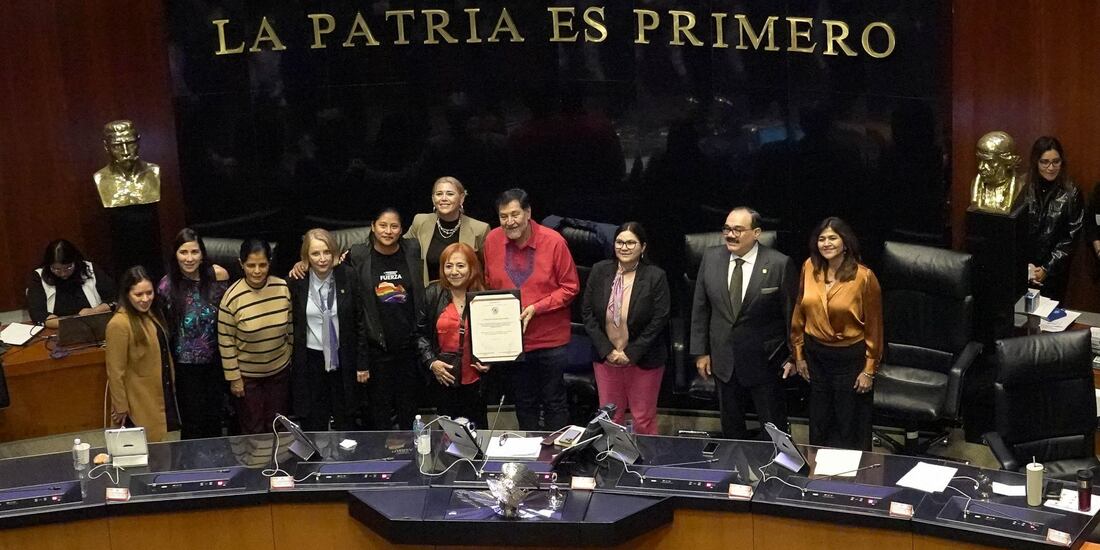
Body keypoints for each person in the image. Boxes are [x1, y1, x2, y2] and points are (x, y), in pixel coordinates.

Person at [690, 207, 797, 439]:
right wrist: (700, 352)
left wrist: (793, 356)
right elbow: (700, 308)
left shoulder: (780, 264)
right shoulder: (710, 257)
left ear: (756, 232)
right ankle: (734, 474)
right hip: (723, 360)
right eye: (727, 229)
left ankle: (777, 475)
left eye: (738, 229)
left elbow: (792, 316)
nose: (730, 235)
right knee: (731, 430)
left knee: (774, 433)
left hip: (766, 362)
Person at [482, 188, 579, 431]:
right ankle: (532, 461)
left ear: (528, 213)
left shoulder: (554, 242)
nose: (509, 222)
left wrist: (537, 307)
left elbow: (571, 287)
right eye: (503, 216)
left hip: (550, 341)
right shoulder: (492, 240)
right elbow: (487, 285)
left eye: (515, 214)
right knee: (523, 403)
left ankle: (558, 460)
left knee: (554, 402)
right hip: (512, 342)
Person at [788, 217, 883, 451]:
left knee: (848, 422)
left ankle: (852, 482)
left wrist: (869, 370)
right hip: (816, 355)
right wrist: (798, 355)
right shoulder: (809, 267)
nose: (826, 243)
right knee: (820, 420)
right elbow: (799, 311)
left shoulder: (864, 277)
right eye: (821, 239)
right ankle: (819, 476)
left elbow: (875, 326)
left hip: (850, 358)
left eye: (832, 238)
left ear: (845, 242)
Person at [582, 222, 670, 435]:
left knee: (643, 418)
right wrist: (609, 351)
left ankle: (646, 466)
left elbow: (659, 319)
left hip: (643, 358)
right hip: (607, 358)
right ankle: (613, 463)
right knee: (611, 417)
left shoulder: (655, 276)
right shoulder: (599, 270)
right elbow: (587, 313)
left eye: (631, 242)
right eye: (620, 242)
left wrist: (630, 353)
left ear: (643, 247)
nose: (624, 247)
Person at [349, 208, 425, 430]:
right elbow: (330, 264)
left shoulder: (412, 249)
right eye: (383, 225)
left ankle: (412, 460)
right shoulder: (358, 254)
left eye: (394, 226)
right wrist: (302, 263)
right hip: (377, 351)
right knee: (379, 414)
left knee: (409, 413)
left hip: (409, 349)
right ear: (373, 226)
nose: (388, 231)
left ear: (402, 229)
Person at [289, 228, 367, 431]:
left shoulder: (348, 276)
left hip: (343, 358)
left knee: (346, 419)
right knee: (314, 420)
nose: (322, 259)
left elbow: (360, 321)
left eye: (326, 252)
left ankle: (347, 461)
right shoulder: (297, 280)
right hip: (311, 360)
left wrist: (362, 361)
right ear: (306, 256)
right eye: (315, 253)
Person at [157, 229, 230, 439]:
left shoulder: (218, 276)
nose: (189, 258)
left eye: (194, 252)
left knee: (215, 419)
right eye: (183, 252)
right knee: (193, 422)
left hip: (217, 362)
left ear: (202, 254)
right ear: (175, 254)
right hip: (185, 366)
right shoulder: (166, 285)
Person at [218, 239, 293, 435]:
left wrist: (288, 357)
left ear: (270, 262)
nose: (257, 271)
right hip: (248, 379)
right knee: (254, 429)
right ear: (241, 264)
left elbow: (290, 328)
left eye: (263, 265)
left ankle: (278, 465)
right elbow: (226, 341)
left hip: (279, 373)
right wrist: (234, 379)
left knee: (278, 426)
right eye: (251, 265)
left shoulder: (282, 287)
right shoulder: (231, 297)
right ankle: (257, 466)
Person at [416, 242, 492, 428]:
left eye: (460, 265)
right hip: (444, 379)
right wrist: (431, 362)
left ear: (471, 267)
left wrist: (490, 360)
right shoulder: (432, 294)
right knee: (447, 439)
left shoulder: (484, 295)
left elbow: (494, 336)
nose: (454, 272)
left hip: (475, 381)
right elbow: (419, 334)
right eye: (448, 266)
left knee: (477, 436)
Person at [105, 265, 179, 443]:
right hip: (137, 400)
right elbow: (115, 371)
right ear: (127, 294)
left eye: (149, 293)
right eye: (138, 295)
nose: (145, 299)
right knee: (143, 451)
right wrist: (121, 407)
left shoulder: (151, 314)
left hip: (157, 393)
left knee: (160, 446)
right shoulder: (119, 324)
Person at [1023, 136, 1083, 302]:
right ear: (1036, 162)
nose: (1051, 167)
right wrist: (1026, 265)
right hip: (1024, 268)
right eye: (1045, 162)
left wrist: (1046, 268)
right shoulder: (1023, 187)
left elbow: (1071, 237)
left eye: (1056, 162)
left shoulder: (1071, 193)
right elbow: (1014, 229)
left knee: (1050, 320)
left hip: (1054, 272)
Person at [404, 176, 491, 284]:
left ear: (462, 198)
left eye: (450, 194)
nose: (443, 198)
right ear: (433, 198)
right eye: (439, 194)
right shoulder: (420, 222)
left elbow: (488, 269)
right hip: (429, 296)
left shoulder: (480, 229)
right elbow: (401, 250)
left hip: (465, 293)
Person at [26, 239, 116, 328]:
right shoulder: (39, 277)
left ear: (75, 261)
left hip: (94, 325)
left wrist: (95, 311)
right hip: (57, 329)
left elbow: (115, 298)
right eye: (57, 269)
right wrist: (70, 325)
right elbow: (37, 313)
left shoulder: (90, 269)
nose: (63, 273)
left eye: (68, 268)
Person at [92, 120, 161, 208]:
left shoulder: (154, 172)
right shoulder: (100, 178)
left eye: (130, 144)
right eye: (117, 145)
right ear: (106, 147)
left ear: (138, 142)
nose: (125, 152)